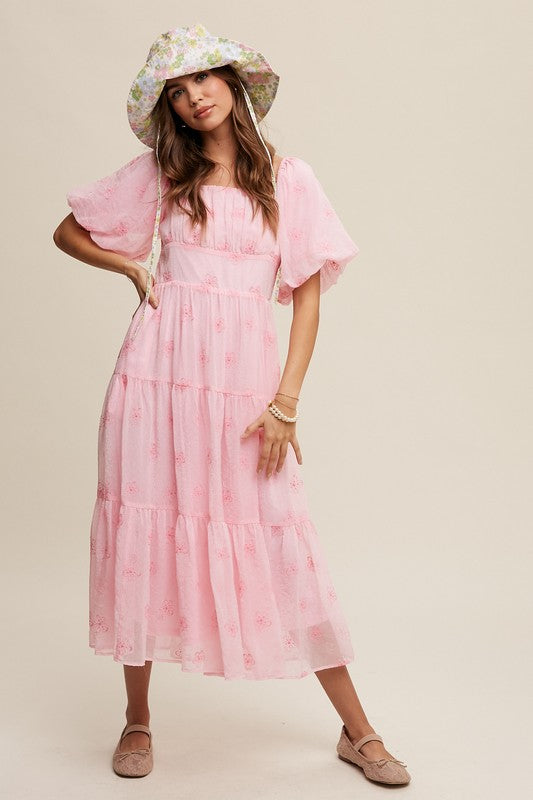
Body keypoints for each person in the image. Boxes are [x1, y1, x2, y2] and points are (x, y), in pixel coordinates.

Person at [53, 23, 410, 785]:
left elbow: (308, 300)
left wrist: (284, 404)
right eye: (176, 93)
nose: (192, 99)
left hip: (242, 393)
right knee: (143, 538)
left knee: (283, 544)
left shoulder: (290, 179)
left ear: (233, 82)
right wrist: (128, 267)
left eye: (201, 81)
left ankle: (358, 731)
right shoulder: (162, 175)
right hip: (153, 384)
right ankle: (138, 719)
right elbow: (67, 231)